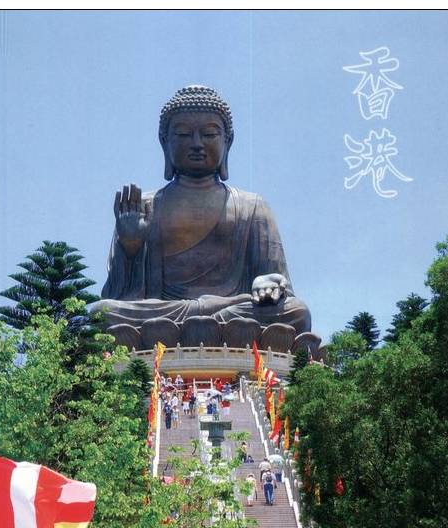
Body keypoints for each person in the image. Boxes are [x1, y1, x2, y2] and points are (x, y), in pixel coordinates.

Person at [93, 85, 313, 354]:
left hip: (234, 312)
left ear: (227, 142)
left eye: (209, 134)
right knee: (101, 314)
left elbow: (279, 286)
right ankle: (201, 326)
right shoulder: (144, 206)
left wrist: (267, 284)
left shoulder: (252, 206)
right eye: (184, 134)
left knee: (297, 312)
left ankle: (202, 326)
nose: (197, 144)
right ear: (165, 142)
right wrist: (130, 246)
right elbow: (116, 297)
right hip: (163, 316)